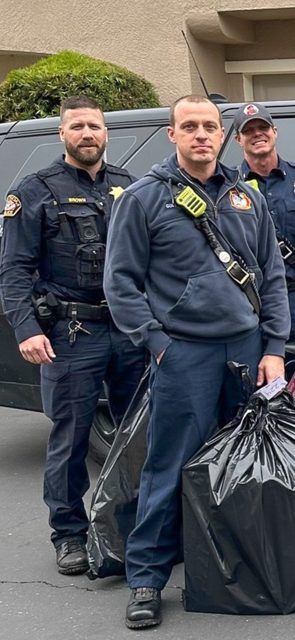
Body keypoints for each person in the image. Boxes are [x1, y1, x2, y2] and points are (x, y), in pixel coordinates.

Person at [104, 94, 290, 628]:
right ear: (173, 135)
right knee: (167, 467)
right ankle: (146, 579)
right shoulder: (142, 198)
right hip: (182, 354)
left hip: (246, 353)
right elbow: (120, 283)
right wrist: (157, 343)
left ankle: (236, 568)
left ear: (222, 135)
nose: (202, 134)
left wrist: (274, 350)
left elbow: (273, 278)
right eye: (190, 126)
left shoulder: (245, 198)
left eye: (210, 125)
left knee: (241, 468)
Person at [0, 95, 145, 576]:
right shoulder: (34, 190)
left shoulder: (129, 186)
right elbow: (15, 269)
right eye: (78, 126)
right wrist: (26, 328)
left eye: (95, 127)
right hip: (69, 332)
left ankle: (132, 524)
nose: (88, 134)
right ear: (62, 134)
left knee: (135, 435)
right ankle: (69, 534)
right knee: (70, 439)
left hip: (128, 331)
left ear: (107, 133)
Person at [234, 102, 295, 346]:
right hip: (252, 299)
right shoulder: (228, 188)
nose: (257, 134)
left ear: (275, 131)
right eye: (248, 131)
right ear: (237, 140)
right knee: (258, 378)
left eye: (263, 127)